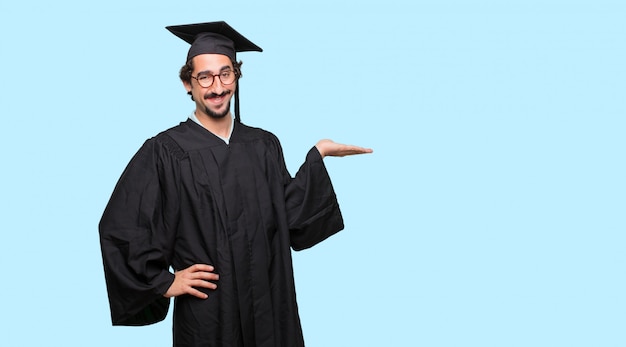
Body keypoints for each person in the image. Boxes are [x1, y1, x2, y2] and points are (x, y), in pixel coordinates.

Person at [98, 21, 372, 347]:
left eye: (226, 74)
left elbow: (289, 219)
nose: (217, 86)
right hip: (209, 313)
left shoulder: (263, 145)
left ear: (237, 77)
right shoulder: (166, 151)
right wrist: (163, 282)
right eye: (205, 76)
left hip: (269, 304)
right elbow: (123, 223)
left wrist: (317, 156)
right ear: (188, 83)